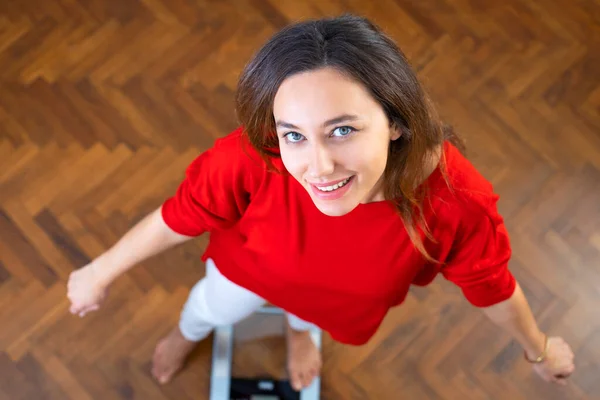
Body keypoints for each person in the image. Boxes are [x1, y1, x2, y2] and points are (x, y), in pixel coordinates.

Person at [67, 14, 575, 391]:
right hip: (246, 272)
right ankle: (187, 333)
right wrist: (101, 270)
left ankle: (300, 333)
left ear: (397, 122)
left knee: (308, 313)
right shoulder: (253, 156)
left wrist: (539, 349)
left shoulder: (456, 200)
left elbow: (491, 287)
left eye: (343, 130)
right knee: (210, 306)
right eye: (294, 135)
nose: (318, 167)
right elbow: (181, 216)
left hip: (335, 301)